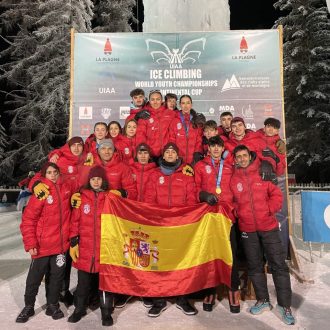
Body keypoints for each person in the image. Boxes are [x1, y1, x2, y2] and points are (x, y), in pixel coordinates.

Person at [230, 145, 295, 325]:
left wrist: (268, 210)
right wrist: (239, 212)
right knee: (254, 266)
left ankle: (284, 306)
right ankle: (263, 300)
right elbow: (233, 201)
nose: (242, 159)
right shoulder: (234, 179)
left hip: (268, 226)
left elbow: (276, 195)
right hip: (247, 228)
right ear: (235, 159)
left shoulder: (263, 172)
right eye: (239, 157)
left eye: (245, 155)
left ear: (250, 156)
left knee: (278, 265)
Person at [144, 142, 197, 317]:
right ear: (163, 156)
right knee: (158, 262)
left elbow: (191, 201)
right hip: (159, 226)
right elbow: (149, 200)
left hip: (180, 226)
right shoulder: (154, 175)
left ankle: (182, 298)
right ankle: (159, 300)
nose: (170, 154)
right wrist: (156, 218)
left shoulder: (186, 175)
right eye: (167, 152)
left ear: (177, 155)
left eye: (173, 152)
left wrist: (182, 219)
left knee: (181, 263)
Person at [16, 162, 73, 323]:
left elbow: (79, 182)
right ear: (44, 175)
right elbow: (28, 220)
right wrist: (31, 243)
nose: (53, 175)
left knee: (56, 278)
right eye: (49, 172)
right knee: (34, 278)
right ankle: (28, 306)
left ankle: (52, 305)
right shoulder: (41, 193)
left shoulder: (65, 189)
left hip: (60, 246)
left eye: (55, 172)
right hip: (41, 246)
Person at [194, 136, 240, 313]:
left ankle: (233, 290)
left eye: (218, 146)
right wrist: (203, 195)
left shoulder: (230, 166)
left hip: (228, 217)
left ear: (222, 149)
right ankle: (209, 291)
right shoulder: (200, 166)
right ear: (208, 148)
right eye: (212, 146)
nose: (215, 149)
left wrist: (234, 207)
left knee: (230, 253)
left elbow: (237, 189)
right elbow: (194, 188)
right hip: (208, 216)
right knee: (208, 253)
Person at [68, 166, 113, 326]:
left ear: (103, 180)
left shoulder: (109, 198)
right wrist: (73, 241)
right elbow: (75, 222)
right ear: (89, 181)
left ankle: (106, 312)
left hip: (104, 249)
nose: (96, 181)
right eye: (93, 179)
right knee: (83, 284)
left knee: (105, 284)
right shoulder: (82, 197)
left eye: (99, 179)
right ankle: (79, 309)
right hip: (85, 249)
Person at [135, 90, 176, 161]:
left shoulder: (170, 113)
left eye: (158, 99)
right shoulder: (145, 115)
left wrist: (170, 149)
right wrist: (143, 152)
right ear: (149, 101)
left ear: (162, 100)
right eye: (152, 99)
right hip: (150, 155)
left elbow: (173, 132)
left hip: (166, 154)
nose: (155, 102)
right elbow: (140, 135)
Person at [169, 95, 203, 165]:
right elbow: (172, 139)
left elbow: (199, 139)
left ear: (191, 104)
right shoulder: (174, 120)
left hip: (193, 159)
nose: (186, 106)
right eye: (183, 103)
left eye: (188, 103)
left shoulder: (196, 120)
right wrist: (174, 156)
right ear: (180, 105)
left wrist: (197, 153)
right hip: (178, 160)